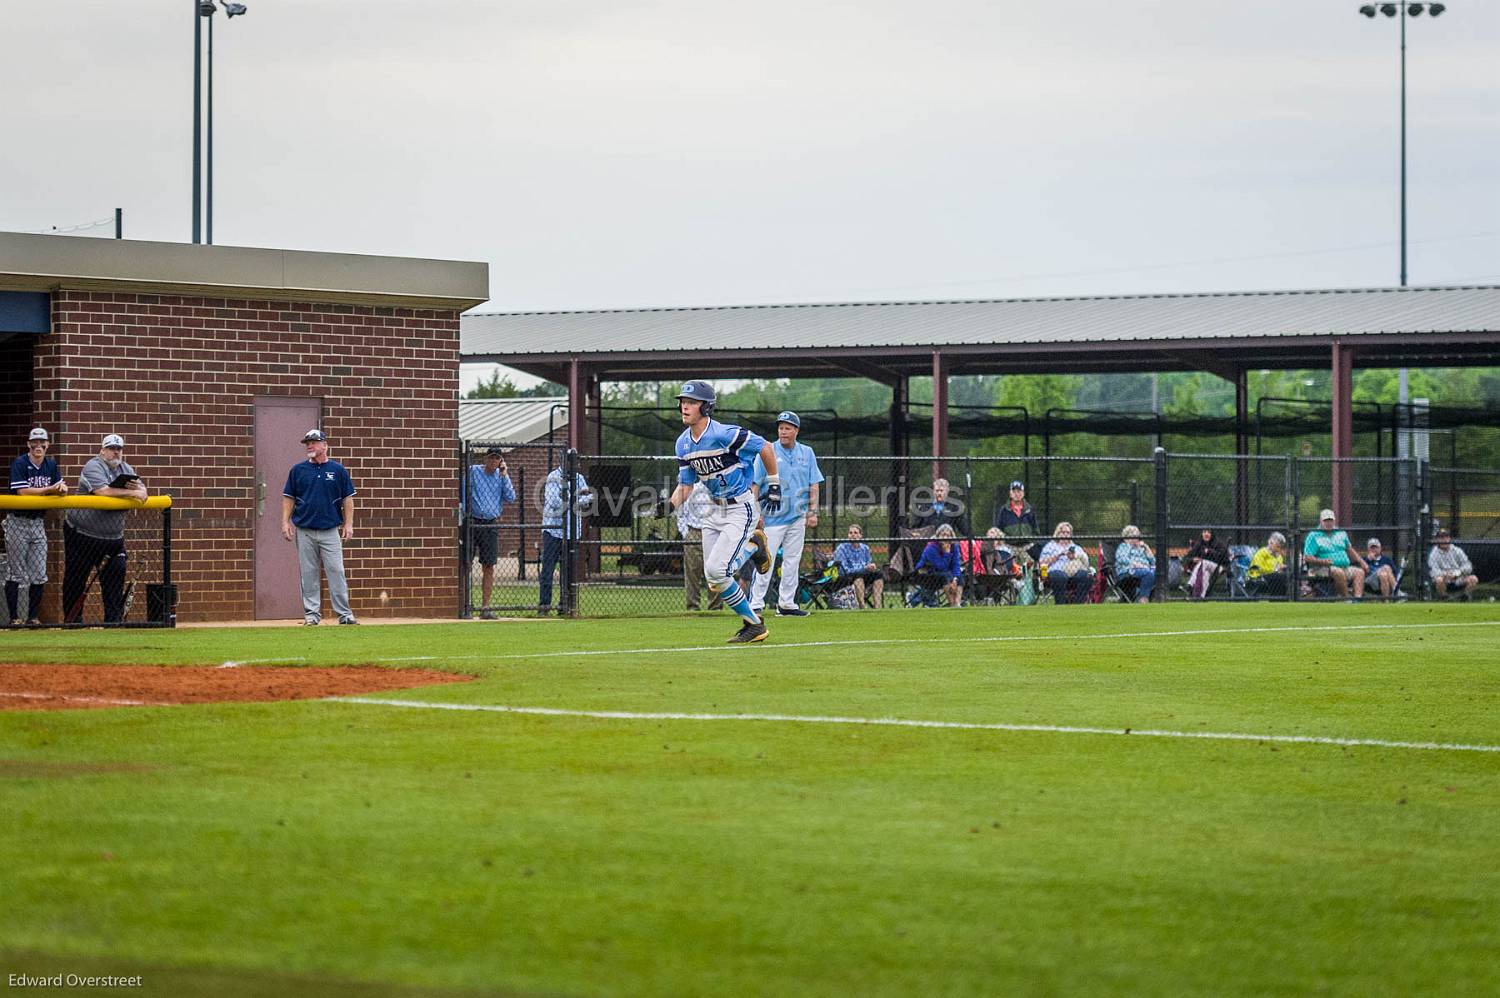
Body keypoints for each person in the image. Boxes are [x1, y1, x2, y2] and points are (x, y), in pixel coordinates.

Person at [665, 380, 779, 643]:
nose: (684, 406)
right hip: (714, 510)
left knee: (719, 571)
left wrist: (774, 483)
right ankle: (755, 623)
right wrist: (669, 505)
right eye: (683, 402)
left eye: (691, 402)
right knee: (714, 579)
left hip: (740, 507)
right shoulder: (683, 443)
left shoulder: (724, 433)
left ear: (706, 407)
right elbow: (686, 485)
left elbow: (765, 447)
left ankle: (754, 622)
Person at [63, 433, 148, 624]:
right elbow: (102, 491)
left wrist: (137, 491)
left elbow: (143, 493)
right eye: (111, 448)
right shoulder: (93, 466)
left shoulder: (126, 469)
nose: (115, 453)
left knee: (115, 577)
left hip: (112, 539)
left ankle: (113, 622)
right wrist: (131, 492)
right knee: (76, 581)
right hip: (82, 535)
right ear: (102, 450)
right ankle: (73, 623)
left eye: (118, 449)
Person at [750, 411, 824, 617]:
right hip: (772, 517)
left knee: (793, 561)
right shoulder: (767, 450)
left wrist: (812, 511)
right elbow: (755, 485)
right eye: (781, 427)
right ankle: (756, 603)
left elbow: (814, 484)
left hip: (798, 516)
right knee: (766, 560)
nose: (783, 431)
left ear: (796, 431)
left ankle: (786, 604)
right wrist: (756, 514)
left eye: (788, 428)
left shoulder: (807, 452)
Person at [281, 429, 358, 626]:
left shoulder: (338, 470)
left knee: (336, 571)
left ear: (324, 445)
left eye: (314, 442)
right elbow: (288, 498)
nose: (309, 446)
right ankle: (312, 616)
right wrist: (285, 522)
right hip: (305, 530)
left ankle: (345, 615)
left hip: (330, 530)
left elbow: (347, 499)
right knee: (308, 573)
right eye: (307, 443)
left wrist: (348, 524)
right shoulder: (298, 470)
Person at [7, 428, 67, 625]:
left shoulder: (50, 464)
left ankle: (33, 618)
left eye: (42, 442)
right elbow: (22, 492)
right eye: (35, 442)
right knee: (16, 572)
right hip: (18, 522)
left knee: (39, 573)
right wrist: (50, 490)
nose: (38, 446)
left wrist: (61, 489)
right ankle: (14, 618)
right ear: (28, 444)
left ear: (48, 445)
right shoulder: (21, 462)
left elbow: (60, 485)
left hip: (38, 522)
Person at [464, 447, 516, 619]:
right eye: (491, 458)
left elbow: (511, 497)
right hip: (472, 521)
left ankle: (485, 607)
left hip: (490, 524)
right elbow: (463, 492)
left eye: (497, 458)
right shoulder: (473, 472)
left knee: (488, 566)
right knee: (465, 563)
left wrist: (505, 475)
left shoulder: (501, 476)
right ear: (485, 458)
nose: (494, 461)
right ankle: (464, 604)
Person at [539, 461, 593, 615]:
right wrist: (577, 498)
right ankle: (544, 606)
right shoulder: (553, 477)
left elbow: (590, 498)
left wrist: (569, 498)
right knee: (548, 570)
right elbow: (554, 503)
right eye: (571, 462)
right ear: (564, 463)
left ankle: (565, 606)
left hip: (572, 532)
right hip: (553, 531)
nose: (575, 465)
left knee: (568, 571)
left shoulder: (579, 478)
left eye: (576, 462)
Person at [1302, 509, 1367, 599]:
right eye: (1326, 520)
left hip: (1344, 567)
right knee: (1337, 571)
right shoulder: (1313, 535)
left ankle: (1357, 600)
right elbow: (1307, 557)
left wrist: (1362, 562)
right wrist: (1322, 561)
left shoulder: (1341, 533)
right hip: (1320, 569)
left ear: (1334, 520)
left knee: (1359, 572)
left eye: (1330, 520)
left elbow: (1350, 550)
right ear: (1321, 521)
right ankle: (1346, 599)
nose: (1328, 523)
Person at [676, 482, 722, 611]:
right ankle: (692, 606)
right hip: (694, 532)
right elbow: (681, 512)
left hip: (714, 532)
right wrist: (686, 533)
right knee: (692, 571)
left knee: (715, 570)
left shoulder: (717, 490)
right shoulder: (691, 489)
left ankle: (715, 606)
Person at [830, 523, 884, 608]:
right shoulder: (842, 548)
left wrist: (871, 568)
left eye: (855, 533)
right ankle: (862, 606)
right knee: (858, 577)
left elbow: (868, 565)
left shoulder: (865, 548)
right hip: (847, 578)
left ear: (860, 536)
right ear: (848, 535)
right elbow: (844, 570)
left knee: (878, 575)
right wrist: (864, 568)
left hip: (863, 575)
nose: (853, 535)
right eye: (850, 533)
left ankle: (877, 607)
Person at [1039, 521, 1093, 604]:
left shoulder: (1076, 547)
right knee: (1060, 576)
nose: (1065, 534)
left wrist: (1074, 556)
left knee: (1086, 576)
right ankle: (1061, 604)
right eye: (1063, 532)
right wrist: (1059, 555)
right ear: (1058, 533)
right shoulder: (1050, 546)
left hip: (1074, 573)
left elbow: (1085, 561)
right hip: (1055, 573)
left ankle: (1078, 604)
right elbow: (1042, 563)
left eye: (1068, 532)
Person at [910, 523, 963, 607]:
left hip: (946, 572)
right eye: (943, 534)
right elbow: (941, 566)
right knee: (946, 576)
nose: (945, 537)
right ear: (938, 535)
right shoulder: (931, 547)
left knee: (960, 576)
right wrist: (946, 552)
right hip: (927, 572)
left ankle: (957, 603)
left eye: (948, 535)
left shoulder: (954, 546)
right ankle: (952, 603)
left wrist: (955, 579)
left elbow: (956, 564)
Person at [993, 479, 1041, 557]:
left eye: (1019, 491)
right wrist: (1005, 539)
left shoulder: (1029, 509)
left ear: (1023, 493)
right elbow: (998, 529)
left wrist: (1032, 542)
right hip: (1009, 546)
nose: (1017, 494)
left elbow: (1035, 529)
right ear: (1010, 494)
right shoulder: (1004, 510)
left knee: (1029, 567)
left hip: (1027, 546)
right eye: (1014, 492)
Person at [1428, 528, 1478, 600]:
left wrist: (1457, 573)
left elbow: (1468, 566)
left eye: (1446, 537)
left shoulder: (1457, 550)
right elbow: (1433, 571)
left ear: (1449, 539)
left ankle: (1464, 598)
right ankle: (1445, 598)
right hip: (1444, 579)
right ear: (1437, 540)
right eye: (1441, 538)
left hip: (1458, 578)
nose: (1444, 540)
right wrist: (1445, 574)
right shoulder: (1433, 553)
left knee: (1474, 579)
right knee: (1438, 580)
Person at [1181, 528, 1230, 599]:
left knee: (1203, 562)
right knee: (1205, 574)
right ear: (1202, 534)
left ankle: (1190, 585)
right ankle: (1201, 597)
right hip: (1203, 568)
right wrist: (1193, 559)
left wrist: (1209, 551)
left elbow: (1224, 558)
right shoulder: (1199, 544)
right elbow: (1186, 557)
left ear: (1212, 534)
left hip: (1219, 568)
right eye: (1204, 532)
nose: (1206, 534)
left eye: (1209, 532)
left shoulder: (1218, 543)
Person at [1113, 525, 1156, 603]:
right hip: (1128, 571)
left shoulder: (1142, 548)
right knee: (1148, 573)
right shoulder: (1124, 546)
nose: (1135, 538)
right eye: (1132, 536)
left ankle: (1154, 597)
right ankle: (1143, 599)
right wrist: (1136, 564)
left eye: (1137, 536)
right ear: (1126, 537)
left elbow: (1153, 562)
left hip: (1145, 570)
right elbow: (1121, 559)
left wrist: (1147, 548)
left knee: (1157, 572)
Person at [1247, 532, 1289, 597]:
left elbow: (1279, 570)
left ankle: (1281, 600)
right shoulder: (1261, 553)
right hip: (1257, 577)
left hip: (1273, 578)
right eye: (1277, 546)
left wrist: (1281, 568)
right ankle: (1277, 599)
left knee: (1285, 576)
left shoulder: (1279, 556)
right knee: (1278, 577)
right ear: (1270, 543)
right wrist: (1275, 570)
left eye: (1279, 546)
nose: (1278, 548)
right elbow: (1258, 568)